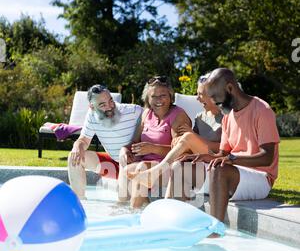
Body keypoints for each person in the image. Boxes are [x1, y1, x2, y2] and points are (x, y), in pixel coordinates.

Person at [169, 68, 280, 233]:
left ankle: (215, 231)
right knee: (180, 168)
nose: (215, 104)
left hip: (260, 177)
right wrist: (202, 157)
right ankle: (177, 226)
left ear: (230, 89)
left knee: (219, 170)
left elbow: (267, 158)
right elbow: (222, 154)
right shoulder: (228, 117)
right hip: (231, 172)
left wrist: (232, 159)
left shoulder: (262, 110)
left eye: (217, 99)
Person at [128, 74, 223, 202]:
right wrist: (182, 141)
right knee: (175, 164)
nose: (198, 99)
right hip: (198, 161)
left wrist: (191, 137)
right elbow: (189, 148)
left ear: (214, 94)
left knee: (187, 139)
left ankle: (154, 174)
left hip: (214, 160)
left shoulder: (227, 117)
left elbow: (225, 149)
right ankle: (136, 213)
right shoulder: (200, 117)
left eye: (201, 94)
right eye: (198, 94)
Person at [120, 76, 192, 208]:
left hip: (169, 168)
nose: (158, 100)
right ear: (148, 98)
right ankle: (122, 207)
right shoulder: (146, 114)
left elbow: (184, 150)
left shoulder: (178, 116)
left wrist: (153, 148)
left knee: (141, 168)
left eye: (163, 95)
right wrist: (124, 150)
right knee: (126, 170)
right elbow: (134, 142)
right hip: (146, 164)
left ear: (170, 96)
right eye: (154, 96)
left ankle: (133, 213)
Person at [68, 85, 142, 199]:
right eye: (102, 105)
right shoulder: (92, 116)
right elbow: (84, 140)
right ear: (92, 107)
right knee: (74, 158)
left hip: (133, 164)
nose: (109, 107)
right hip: (113, 165)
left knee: (122, 204)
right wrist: (77, 146)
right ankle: (80, 203)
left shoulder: (133, 111)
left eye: (110, 101)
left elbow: (155, 118)